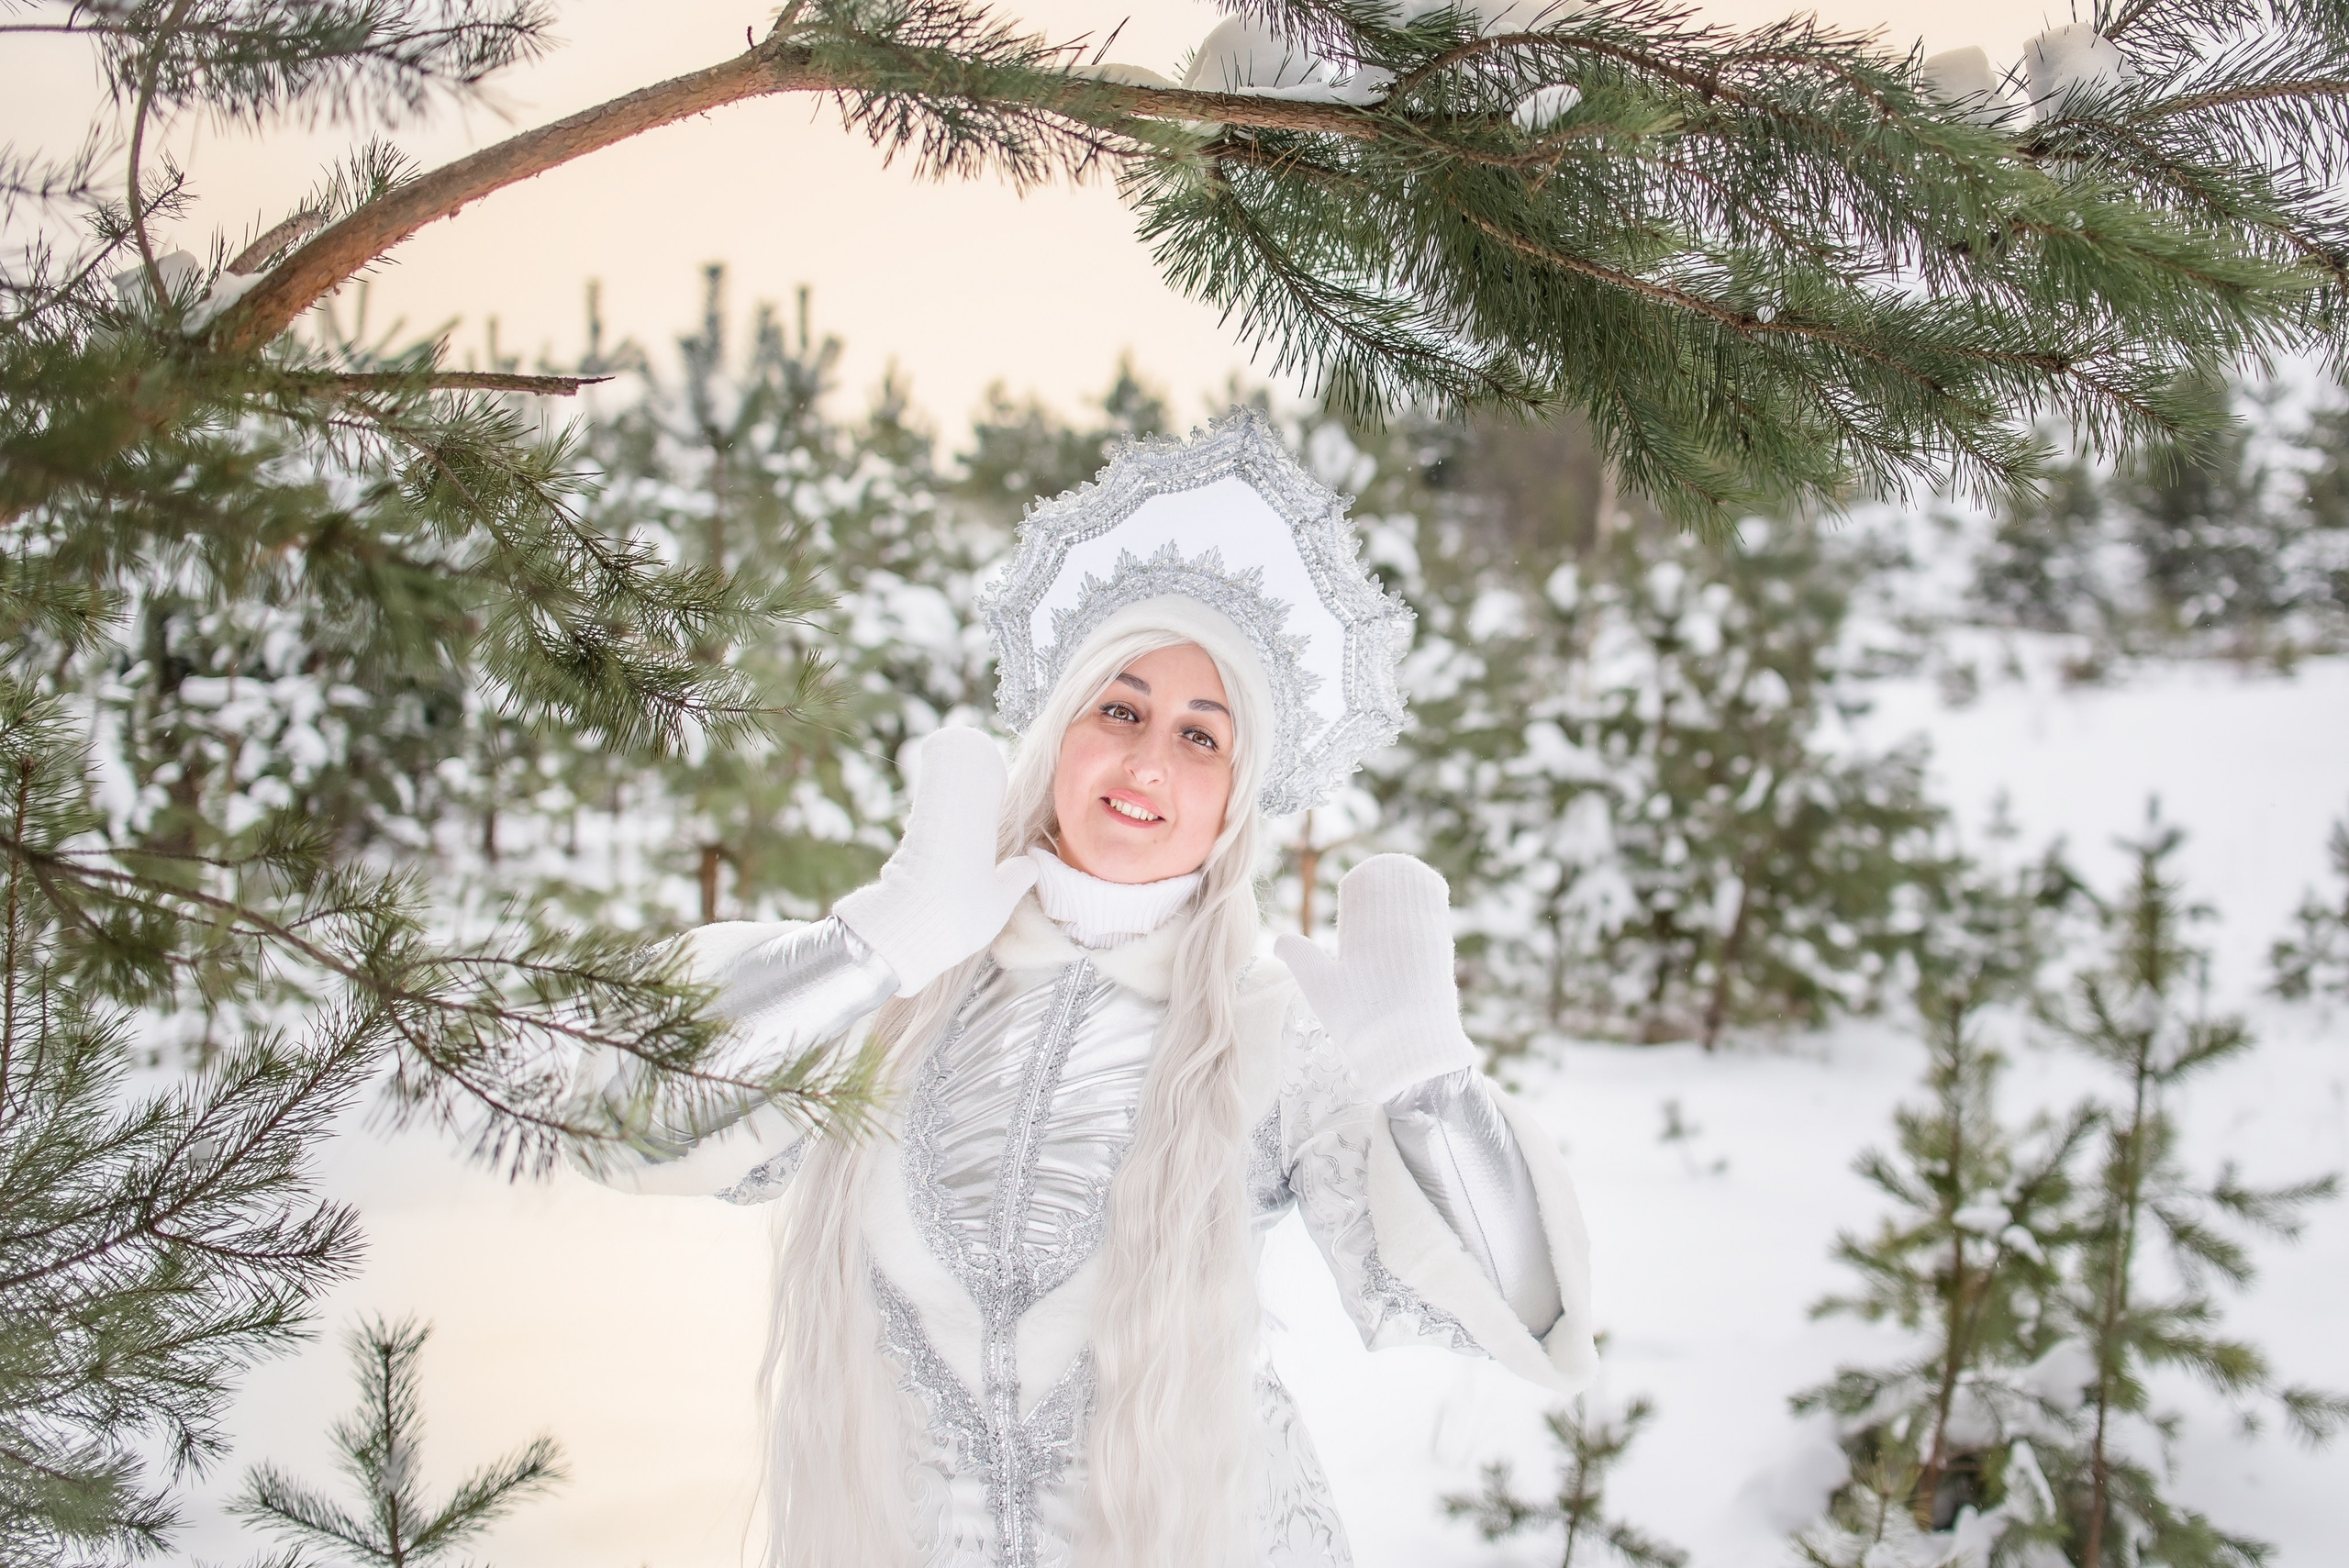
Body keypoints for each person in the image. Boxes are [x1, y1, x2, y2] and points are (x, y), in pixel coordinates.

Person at [566, 412, 1595, 1568]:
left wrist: (1427, 1086)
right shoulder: (905, 979)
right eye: (1120, 708)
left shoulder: (1269, 1036)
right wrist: (875, 950)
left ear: (1233, 804)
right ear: (1057, 735)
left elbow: (1502, 1313)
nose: (1150, 760)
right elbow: (620, 1112)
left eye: (1203, 738)